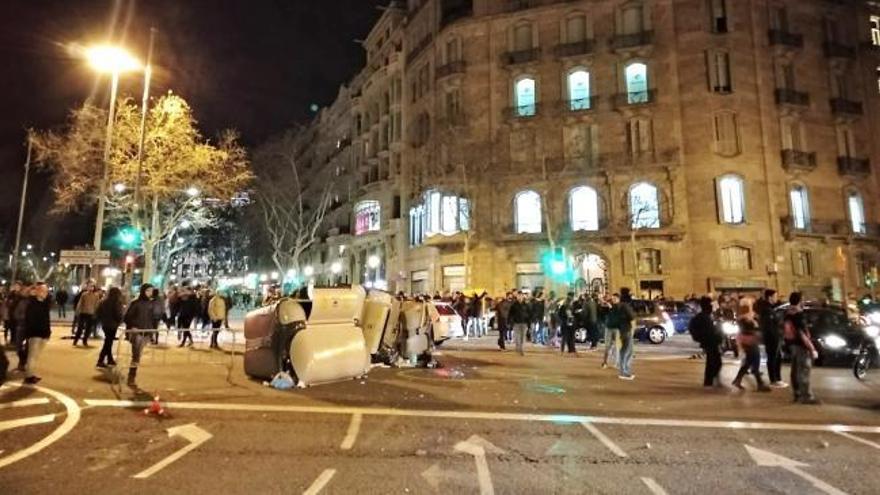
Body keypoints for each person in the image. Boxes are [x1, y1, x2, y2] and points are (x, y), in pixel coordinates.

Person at [784, 292, 820, 404]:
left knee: (795, 370)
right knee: (804, 370)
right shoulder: (799, 315)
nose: (804, 301)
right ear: (799, 301)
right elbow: (802, 333)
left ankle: (797, 394)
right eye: (802, 299)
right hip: (801, 345)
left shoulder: (787, 313)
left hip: (792, 345)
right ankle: (806, 396)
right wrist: (812, 348)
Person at [123, 284, 161, 387]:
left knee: (137, 355)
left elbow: (157, 316)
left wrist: (153, 330)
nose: (150, 293)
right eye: (148, 290)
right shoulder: (136, 303)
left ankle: (132, 375)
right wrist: (132, 326)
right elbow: (127, 317)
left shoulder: (152, 303)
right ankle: (131, 377)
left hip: (147, 332)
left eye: (151, 291)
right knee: (136, 355)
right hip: (137, 331)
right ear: (143, 291)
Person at [731, 297, 770, 392]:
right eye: (750, 305)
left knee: (749, 361)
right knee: (755, 360)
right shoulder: (745, 318)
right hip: (749, 341)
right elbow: (749, 329)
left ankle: (737, 380)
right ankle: (760, 383)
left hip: (748, 340)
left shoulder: (745, 317)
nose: (751, 306)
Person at [688, 296, 723, 387]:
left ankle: (710, 381)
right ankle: (709, 381)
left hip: (709, 341)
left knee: (712, 361)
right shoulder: (703, 317)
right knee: (714, 361)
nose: (712, 307)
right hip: (710, 341)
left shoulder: (706, 316)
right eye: (711, 305)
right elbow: (709, 331)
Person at [755, 289, 786, 388]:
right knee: (773, 358)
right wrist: (774, 336)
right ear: (770, 297)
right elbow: (768, 326)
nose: (776, 298)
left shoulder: (771, 309)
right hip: (771, 337)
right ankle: (774, 379)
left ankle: (777, 378)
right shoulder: (766, 310)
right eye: (775, 296)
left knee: (777, 358)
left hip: (774, 336)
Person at [23, 282, 51, 385]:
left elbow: (46, 320)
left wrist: (48, 332)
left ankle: (31, 374)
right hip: (35, 334)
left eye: (46, 291)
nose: (46, 293)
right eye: (43, 291)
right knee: (32, 356)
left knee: (36, 356)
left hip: (43, 333)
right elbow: (30, 320)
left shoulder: (44, 303)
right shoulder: (32, 303)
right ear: (37, 291)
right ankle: (29, 376)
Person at [95, 287, 125, 368]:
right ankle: (101, 360)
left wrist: (102, 320)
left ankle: (109, 359)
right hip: (112, 325)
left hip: (105, 324)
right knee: (108, 342)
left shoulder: (103, 301)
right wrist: (120, 321)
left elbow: (98, 312)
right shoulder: (116, 302)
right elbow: (118, 314)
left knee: (108, 342)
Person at [616, 288, 637, 380]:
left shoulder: (620, 306)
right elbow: (632, 318)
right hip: (626, 330)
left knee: (628, 351)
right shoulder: (625, 306)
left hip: (622, 330)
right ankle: (624, 372)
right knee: (626, 351)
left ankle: (625, 371)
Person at [508, 292, 531, 356]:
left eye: (521, 296)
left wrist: (529, 323)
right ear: (517, 297)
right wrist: (509, 322)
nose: (520, 297)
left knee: (523, 337)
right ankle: (518, 348)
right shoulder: (514, 305)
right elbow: (510, 314)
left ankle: (522, 349)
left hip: (524, 323)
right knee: (517, 337)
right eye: (519, 296)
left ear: (523, 297)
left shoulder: (526, 305)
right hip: (516, 323)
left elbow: (529, 315)